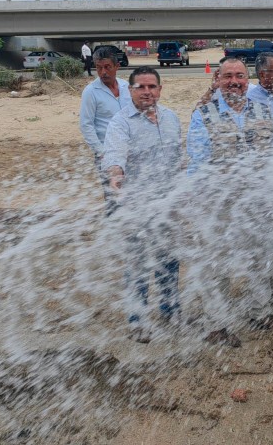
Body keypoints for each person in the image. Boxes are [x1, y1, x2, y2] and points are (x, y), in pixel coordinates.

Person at [187, 57, 273, 346]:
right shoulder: (203, 114)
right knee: (216, 265)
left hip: (257, 204)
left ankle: (259, 312)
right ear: (218, 80)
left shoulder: (264, 110)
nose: (234, 81)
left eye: (239, 76)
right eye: (228, 76)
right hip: (217, 206)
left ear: (248, 80)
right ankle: (217, 325)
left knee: (260, 258)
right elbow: (197, 163)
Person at [102, 67, 181, 343]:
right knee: (138, 263)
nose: (147, 92)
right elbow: (114, 153)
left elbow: (176, 160)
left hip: (167, 203)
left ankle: (170, 312)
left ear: (160, 89)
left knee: (169, 260)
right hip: (136, 205)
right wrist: (115, 176)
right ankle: (137, 320)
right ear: (130, 90)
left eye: (152, 86)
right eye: (140, 87)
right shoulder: (120, 122)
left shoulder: (171, 118)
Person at [79, 46, 132, 181]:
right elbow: (86, 125)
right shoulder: (90, 91)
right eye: (99, 68)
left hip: (130, 151)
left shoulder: (126, 86)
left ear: (117, 66)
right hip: (107, 152)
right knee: (113, 196)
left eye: (107, 67)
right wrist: (101, 152)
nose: (103, 72)